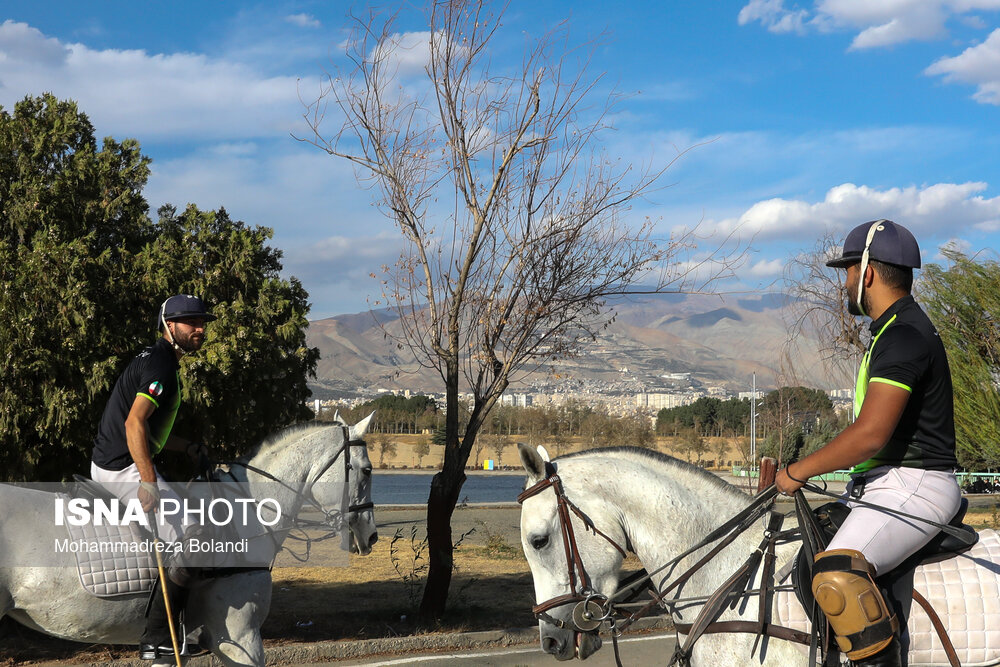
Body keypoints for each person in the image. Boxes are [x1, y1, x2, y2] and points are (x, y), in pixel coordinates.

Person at [775, 220, 960, 667]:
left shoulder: (903, 337)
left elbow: (871, 434)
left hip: (915, 483)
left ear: (868, 274)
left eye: (848, 273)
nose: (846, 283)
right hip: (886, 482)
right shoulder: (889, 331)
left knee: (838, 573)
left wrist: (797, 472)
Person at [91, 294, 216, 660]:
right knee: (192, 536)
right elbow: (134, 423)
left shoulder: (158, 359)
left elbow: (151, 430)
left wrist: (187, 447)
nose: (200, 328)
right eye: (191, 322)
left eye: (202, 321)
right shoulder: (161, 365)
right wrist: (147, 480)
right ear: (169, 326)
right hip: (121, 465)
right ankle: (158, 638)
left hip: (119, 457)